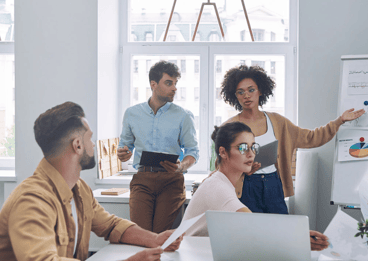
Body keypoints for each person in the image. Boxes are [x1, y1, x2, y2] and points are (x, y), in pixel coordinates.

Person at [0, 102, 182, 261]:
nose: (93, 144)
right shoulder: (32, 201)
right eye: (90, 138)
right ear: (77, 145)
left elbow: (111, 225)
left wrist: (155, 240)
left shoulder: (79, 189)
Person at [219, 64, 365, 214]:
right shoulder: (229, 127)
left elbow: (311, 138)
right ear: (235, 95)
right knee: (249, 233)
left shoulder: (278, 122)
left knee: (280, 232)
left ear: (260, 91)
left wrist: (339, 121)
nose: (246, 96)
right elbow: (221, 169)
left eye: (251, 90)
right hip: (245, 188)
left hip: (273, 184)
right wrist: (244, 171)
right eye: (240, 92)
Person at [182, 122, 329, 251]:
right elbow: (253, 225)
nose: (251, 154)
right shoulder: (217, 187)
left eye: (253, 147)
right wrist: (298, 237)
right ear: (223, 152)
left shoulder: (223, 182)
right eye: (242, 148)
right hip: (191, 254)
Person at [118, 60, 199, 233]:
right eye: (169, 83)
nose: (174, 88)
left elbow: (193, 151)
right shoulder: (132, 113)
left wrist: (182, 166)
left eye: (175, 83)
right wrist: (123, 153)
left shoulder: (183, 116)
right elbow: (125, 146)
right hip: (142, 180)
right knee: (141, 234)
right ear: (153, 85)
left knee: (160, 236)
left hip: (171, 181)